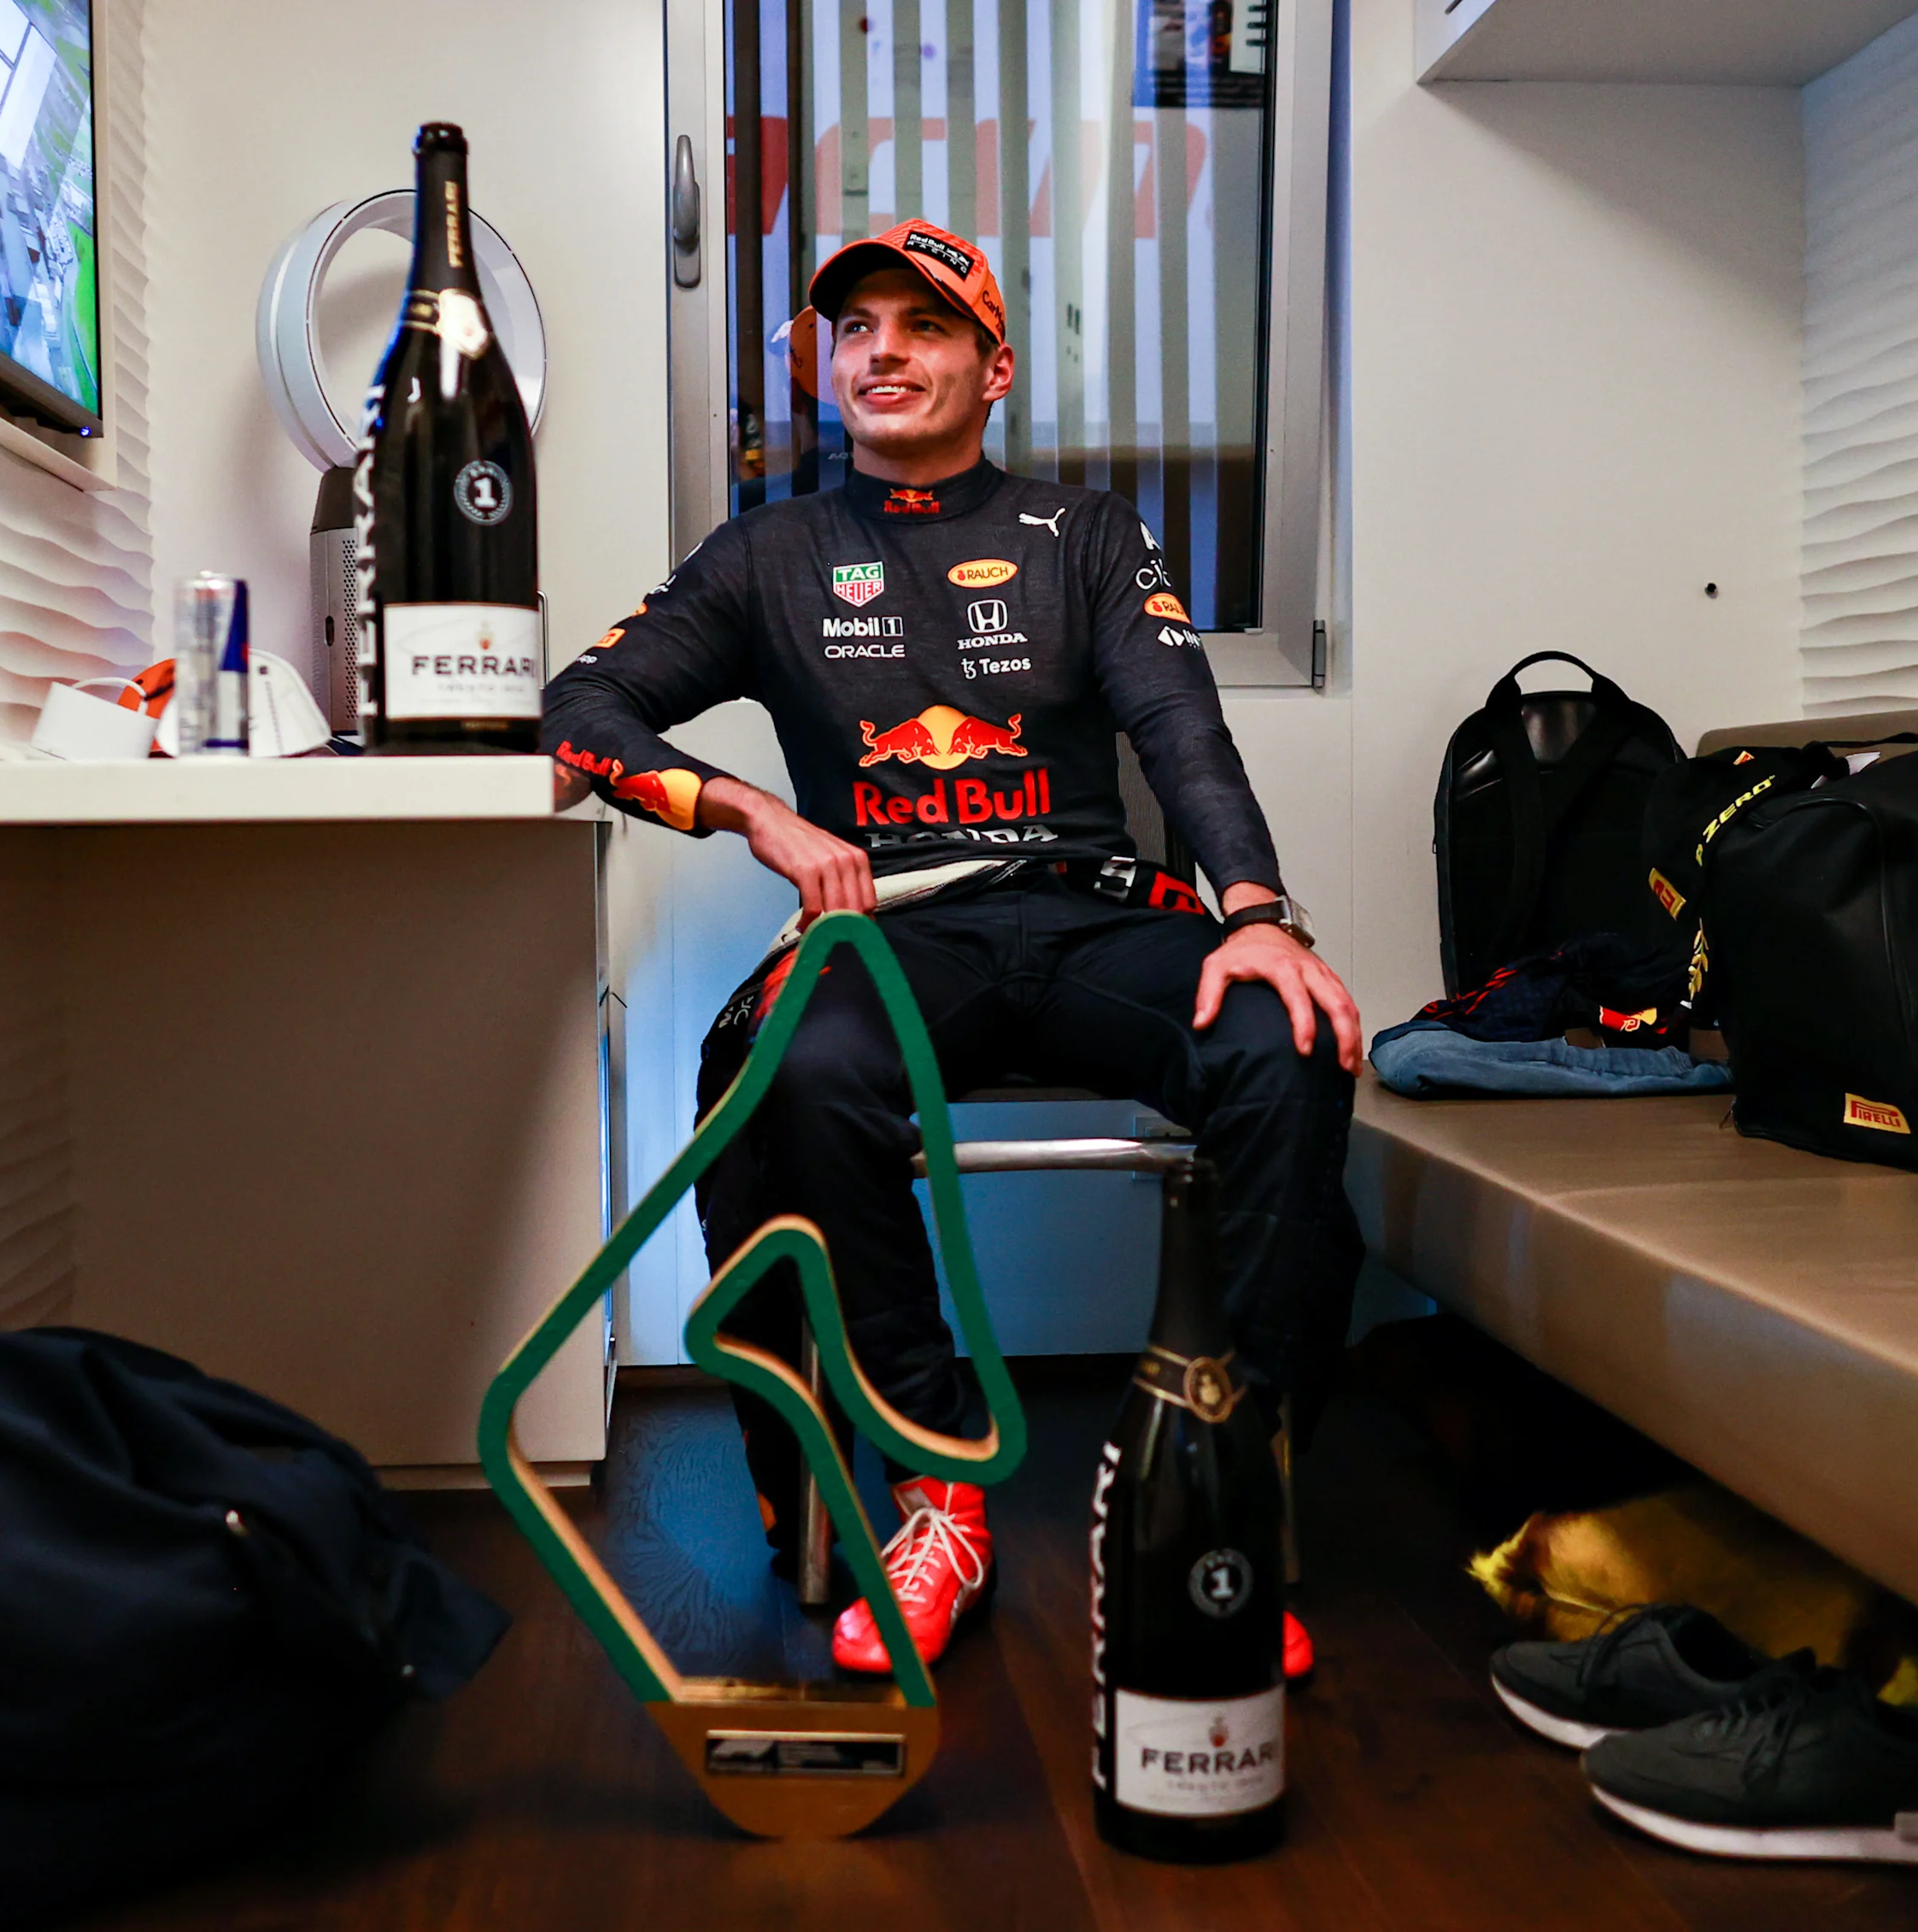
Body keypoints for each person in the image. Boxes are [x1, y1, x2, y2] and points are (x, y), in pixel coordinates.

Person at [543, 219, 1364, 1682]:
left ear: (992, 369)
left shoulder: (1087, 534)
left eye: (921, 328)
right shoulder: (769, 551)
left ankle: (1212, 1495)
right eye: (854, 329)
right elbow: (582, 707)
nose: (882, 352)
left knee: (1286, 1041)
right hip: (899, 933)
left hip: (1100, 909)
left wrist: (1256, 910)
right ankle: (938, 1487)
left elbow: (1185, 732)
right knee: (803, 1071)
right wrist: (750, 815)